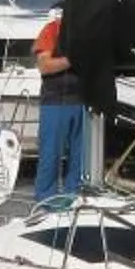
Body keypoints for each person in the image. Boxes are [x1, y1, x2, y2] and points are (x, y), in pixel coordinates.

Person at [53, 0, 135, 189]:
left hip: (84, 90)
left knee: (79, 154)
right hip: (65, 95)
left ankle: (83, 186)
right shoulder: (53, 27)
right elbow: (46, 61)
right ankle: (51, 197)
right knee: (54, 156)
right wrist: (76, 56)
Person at [32, 14, 86, 200]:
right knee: (50, 155)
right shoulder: (52, 30)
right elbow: (44, 65)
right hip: (56, 102)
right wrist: (72, 60)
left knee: (81, 157)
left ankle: (75, 197)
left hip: (84, 101)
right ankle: (45, 201)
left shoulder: (90, 31)